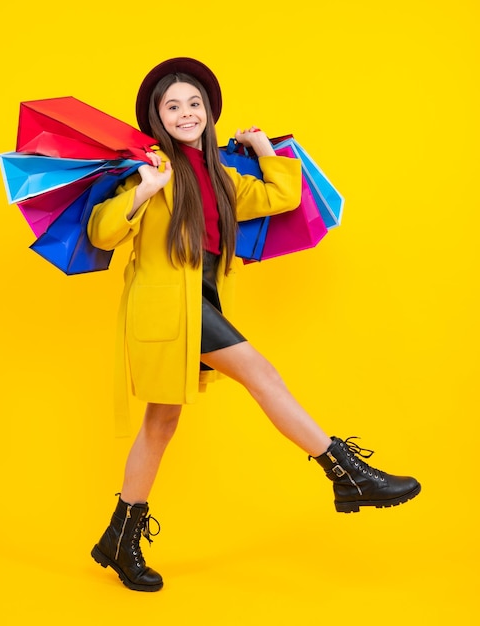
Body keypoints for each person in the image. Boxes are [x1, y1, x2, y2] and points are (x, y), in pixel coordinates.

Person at [87, 57, 421, 592]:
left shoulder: (222, 177)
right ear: (156, 118)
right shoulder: (149, 168)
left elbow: (284, 196)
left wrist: (264, 150)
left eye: (194, 103)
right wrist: (144, 191)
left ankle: (118, 538)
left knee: (160, 425)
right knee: (262, 374)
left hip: (205, 306)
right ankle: (346, 473)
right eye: (172, 106)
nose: (186, 112)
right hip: (167, 311)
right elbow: (102, 233)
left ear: (209, 112)